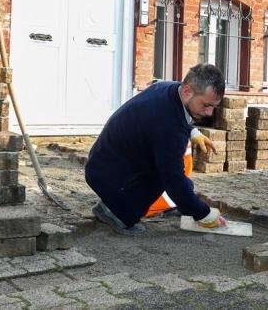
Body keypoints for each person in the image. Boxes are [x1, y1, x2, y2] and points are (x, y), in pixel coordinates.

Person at [85, 63, 228, 235]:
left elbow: (165, 121)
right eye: (206, 105)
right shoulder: (168, 125)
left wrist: (193, 131)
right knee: (164, 175)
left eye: (213, 106)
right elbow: (173, 179)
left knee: (171, 171)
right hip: (107, 175)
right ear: (187, 91)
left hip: (103, 162)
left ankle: (179, 203)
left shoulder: (169, 89)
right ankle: (116, 213)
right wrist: (204, 214)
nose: (209, 113)